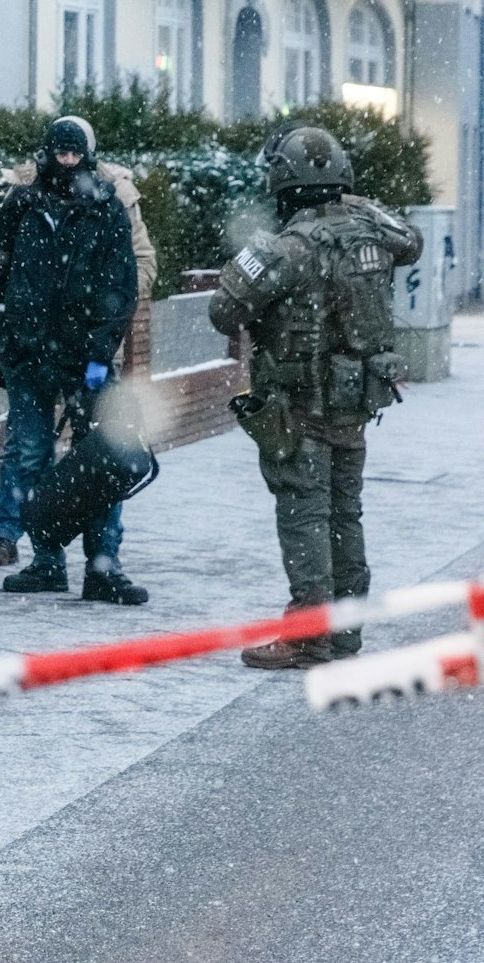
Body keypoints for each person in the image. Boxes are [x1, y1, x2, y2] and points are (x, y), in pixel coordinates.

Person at [209, 126, 421, 668]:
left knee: (305, 516)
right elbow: (411, 239)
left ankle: (308, 634)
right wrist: (356, 203)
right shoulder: (370, 236)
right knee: (345, 515)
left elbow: (222, 311)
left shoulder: (288, 249)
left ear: (282, 180)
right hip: (355, 403)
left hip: (300, 406)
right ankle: (344, 632)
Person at [0, 118, 146, 603]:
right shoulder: (22, 205)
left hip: (84, 359)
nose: (66, 162)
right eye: (59, 152)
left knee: (102, 459)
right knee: (30, 455)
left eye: (75, 153)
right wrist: (1, 332)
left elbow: (121, 287)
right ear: (46, 152)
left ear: (87, 155)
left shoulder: (106, 210)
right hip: (28, 355)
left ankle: (103, 565)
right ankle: (45, 560)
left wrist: (99, 351)